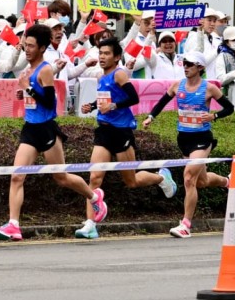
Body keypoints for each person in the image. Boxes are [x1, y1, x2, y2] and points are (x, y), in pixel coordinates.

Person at [0, 24, 107, 241]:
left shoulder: (45, 69)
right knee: (17, 176)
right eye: (25, 45)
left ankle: (94, 198)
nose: (26, 50)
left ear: (42, 48)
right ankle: (14, 225)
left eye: (31, 46)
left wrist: (28, 89)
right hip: (30, 129)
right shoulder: (28, 70)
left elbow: (50, 102)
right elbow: (35, 97)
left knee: (61, 178)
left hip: (46, 129)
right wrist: (24, 94)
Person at [74, 37, 176, 239]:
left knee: (131, 181)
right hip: (103, 130)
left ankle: (161, 178)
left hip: (122, 132)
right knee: (94, 178)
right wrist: (93, 106)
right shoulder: (101, 76)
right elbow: (108, 98)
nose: (102, 57)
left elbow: (133, 98)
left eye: (106, 54)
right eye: (100, 53)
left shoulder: (119, 74)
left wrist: (112, 107)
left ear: (117, 57)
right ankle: (90, 224)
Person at [143, 50, 233, 238]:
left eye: (190, 65)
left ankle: (185, 224)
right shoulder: (178, 85)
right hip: (184, 138)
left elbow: (229, 108)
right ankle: (228, 182)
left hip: (202, 139)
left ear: (199, 67)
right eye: (184, 64)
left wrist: (214, 116)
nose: (186, 67)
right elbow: (162, 101)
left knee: (188, 178)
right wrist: (151, 117)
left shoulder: (209, 88)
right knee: (202, 181)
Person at [185, 8, 223, 79]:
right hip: (199, 83)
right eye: (209, 20)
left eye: (214, 21)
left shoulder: (211, 38)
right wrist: (216, 52)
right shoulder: (194, 36)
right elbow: (196, 62)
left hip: (212, 82)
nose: (212, 24)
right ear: (201, 20)